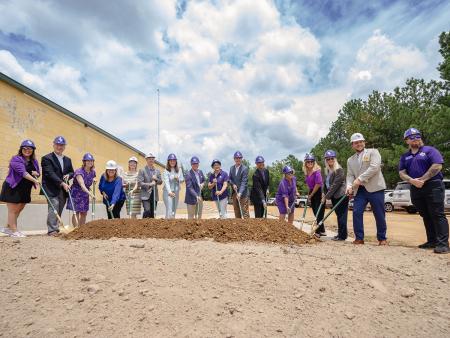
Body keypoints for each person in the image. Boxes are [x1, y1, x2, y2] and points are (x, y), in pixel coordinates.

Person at [399, 128, 449, 254]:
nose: (415, 139)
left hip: (433, 185)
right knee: (425, 215)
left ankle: (443, 244)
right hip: (415, 187)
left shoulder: (430, 150)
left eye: (417, 136)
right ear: (407, 141)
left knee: (437, 214)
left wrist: (423, 179)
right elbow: (402, 172)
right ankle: (432, 241)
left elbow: (437, 165)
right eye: (412, 137)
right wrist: (412, 180)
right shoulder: (405, 156)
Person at [346, 133, 387, 245]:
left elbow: (375, 167)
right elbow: (350, 175)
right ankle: (359, 238)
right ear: (352, 145)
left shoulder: (373, 152)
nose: (359, 144)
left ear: (364, 142)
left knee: (379, 213)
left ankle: (382, 238)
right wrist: (349, 187)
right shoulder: (350, 160)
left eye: (360, 142)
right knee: (357, 212)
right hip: (360, 191)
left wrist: (359, 179)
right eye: (356, 142)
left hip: (375, 188)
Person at [0, 140, 41, 237]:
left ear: (33, 150)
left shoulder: (34, 161)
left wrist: (37, 174)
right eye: (25, 148)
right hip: (13, 187)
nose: (27, 150)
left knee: (19, 208)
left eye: (30, 148)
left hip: (25, 189)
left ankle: (8, 228)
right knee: (12, 210)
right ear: (21, 149)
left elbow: (37, 173)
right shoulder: (16, 159)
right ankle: (14, 231)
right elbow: (23, 173)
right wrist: (35, 180)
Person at [41, 136, 74, 236]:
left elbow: (72, 171)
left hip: (63, 189)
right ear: (54, 145)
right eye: (58, 145)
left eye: (62, 145)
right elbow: (50, 173)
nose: (59, 147)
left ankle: (56, 227)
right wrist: (62, 183)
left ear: (64, 147)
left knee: (60, 207)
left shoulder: (68, 160)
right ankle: (52, 230)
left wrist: (69, 175)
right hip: (51, 188)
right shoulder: (47, 158)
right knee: (54, 205)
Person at [322, 150, 348, 241]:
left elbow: (335, 185)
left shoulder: (339, 169)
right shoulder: (327, 171)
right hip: (334, 196)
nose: (330, 160)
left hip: (341, 195)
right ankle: (340, 234)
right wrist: (324, 194)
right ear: (326, 160)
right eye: (328, 159)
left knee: (342, 216)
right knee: (339, 215)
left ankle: (342, 236)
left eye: (332, 158)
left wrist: (326, 196)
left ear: (335, 159)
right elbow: (326, 185)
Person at [66, 153, 96, 226]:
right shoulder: (79, 171)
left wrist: (94, 180)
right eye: (88, 161)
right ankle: (76, 229)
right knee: (76, 212)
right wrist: (91, 195)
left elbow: (91, 180)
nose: (90, 162)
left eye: (91, 161)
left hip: (85, 194)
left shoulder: (93, 172)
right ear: (84, 162)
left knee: (84, 213)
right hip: (76, 193)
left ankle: (81, 229)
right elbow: (82, 185)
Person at [303, 154, 326, 237]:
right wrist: (309, 194)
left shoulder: (317, 171)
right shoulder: (306, 172)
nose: (310, 163)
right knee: (315, 212)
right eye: (308, 161)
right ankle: (323, 230)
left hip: (319, 192)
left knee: (318, 212)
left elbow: (318, 184)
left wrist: (312, 194)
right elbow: (310, 185)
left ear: (314, 162)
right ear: (305, 163)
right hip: (312, 192)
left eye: (311, 161)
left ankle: (318, 232)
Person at [138, 153, 162, 218]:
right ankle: (144, 225)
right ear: (146, 160)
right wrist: (149, 184)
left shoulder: (157, 171)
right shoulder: (142, 170)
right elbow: (140, 183)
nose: (151, 160)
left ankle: (151, 227)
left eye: (152, 159)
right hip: (145, 194)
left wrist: (156, 179)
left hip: (154, 194)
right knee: (147, 211)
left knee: (153, 213)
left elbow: (160, 182)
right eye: (149, 159)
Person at [162, 153, 184, 219]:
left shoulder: (179, 170)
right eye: (170, 160)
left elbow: (182, 180)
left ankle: (171, 226)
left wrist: (178, 179)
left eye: (174, 160)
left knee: (174, 210)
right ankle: (168, 225)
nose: (172, 162)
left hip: (176, 192)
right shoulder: (166, 170)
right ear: (168, 161)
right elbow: (166, 182)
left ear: (176, 161)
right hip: (167, 193)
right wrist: (170, 192)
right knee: (169, 210)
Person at [229, 151, 250, 219]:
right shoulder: (231, 168)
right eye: (236, 158)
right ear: (234, 159)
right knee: (236, 211)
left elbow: (244, 182)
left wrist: (240, 193)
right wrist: (233, 184)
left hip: (243, 194)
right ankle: (239, 227)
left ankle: (247, 226)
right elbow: (229, 179)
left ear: (241, 159)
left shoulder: (245, 169)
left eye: (239, 158)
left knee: (245, 211)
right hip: (235, 193)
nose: (238, 159)